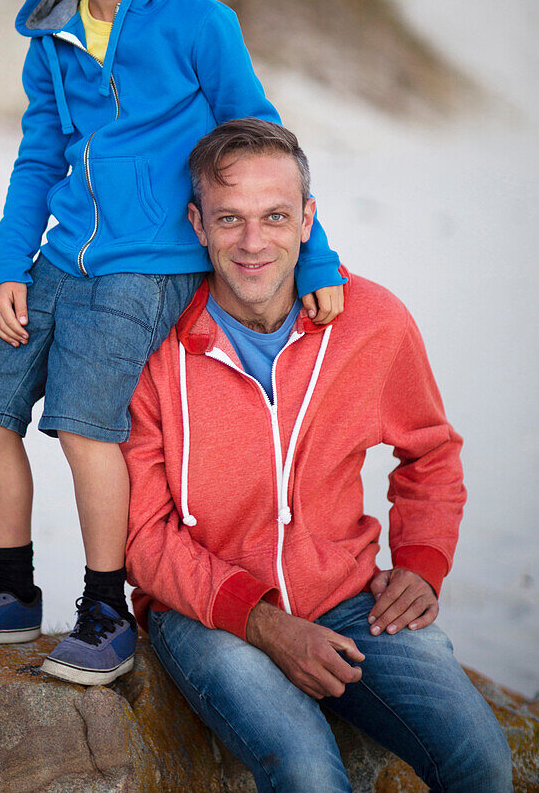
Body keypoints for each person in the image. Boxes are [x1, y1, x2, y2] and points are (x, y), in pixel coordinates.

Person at [0, 0, 346, 685]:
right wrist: (7, 268)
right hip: (60, 258)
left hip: (149, 265)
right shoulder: (50, 33)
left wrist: (314, 257)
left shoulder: (199, 24)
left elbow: (262, 140)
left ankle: (105, 605)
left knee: (83, 424)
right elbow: (38, 156)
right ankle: (9, 590)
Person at [122, 118, 513, 790]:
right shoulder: (152, 346)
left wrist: (420, 563)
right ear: (196, 222)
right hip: (205, 614)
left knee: (480, 762)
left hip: (347, 597)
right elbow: (140, 536)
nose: (252, 243)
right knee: (307, 773)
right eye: (228, 219)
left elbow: (430, 454)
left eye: (274, 216)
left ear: (307, 219)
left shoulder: (370, 321)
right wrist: (264, 623)